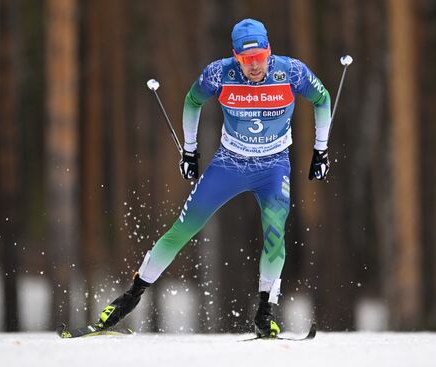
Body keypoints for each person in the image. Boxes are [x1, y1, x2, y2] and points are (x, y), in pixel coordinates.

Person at [97, 18, 331, 338]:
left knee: (275, 234)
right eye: (247, 61)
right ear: (235, 57)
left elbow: (323, 99)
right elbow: (192, 101)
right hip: (229, 164)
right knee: (183, 228)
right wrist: (190, 151)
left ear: (269, 52)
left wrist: (321, 150)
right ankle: (130, 297)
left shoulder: (291, 72)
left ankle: (265, 312)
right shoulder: (219, 73)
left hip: (273, 166)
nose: (254, 66)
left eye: (260, 58)